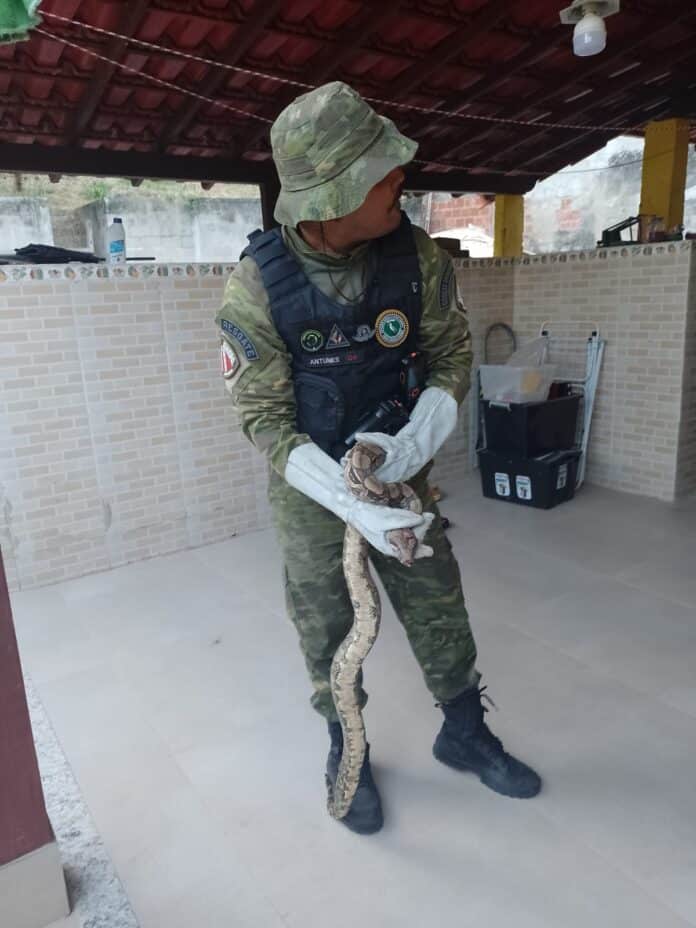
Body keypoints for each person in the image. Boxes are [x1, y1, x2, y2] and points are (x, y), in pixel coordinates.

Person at [215, 81, 541, 836]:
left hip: (398, 471)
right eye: (382, 172)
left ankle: (464, 729)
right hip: (309, 488)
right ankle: (346, 745)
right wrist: (347, 499)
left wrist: (411, 443)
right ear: (332, 197)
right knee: (326, 623)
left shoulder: (417, 256)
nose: (402, 180)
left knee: (437, 601)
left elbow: (453, 356)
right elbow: (263, 420)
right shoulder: (256, 286)